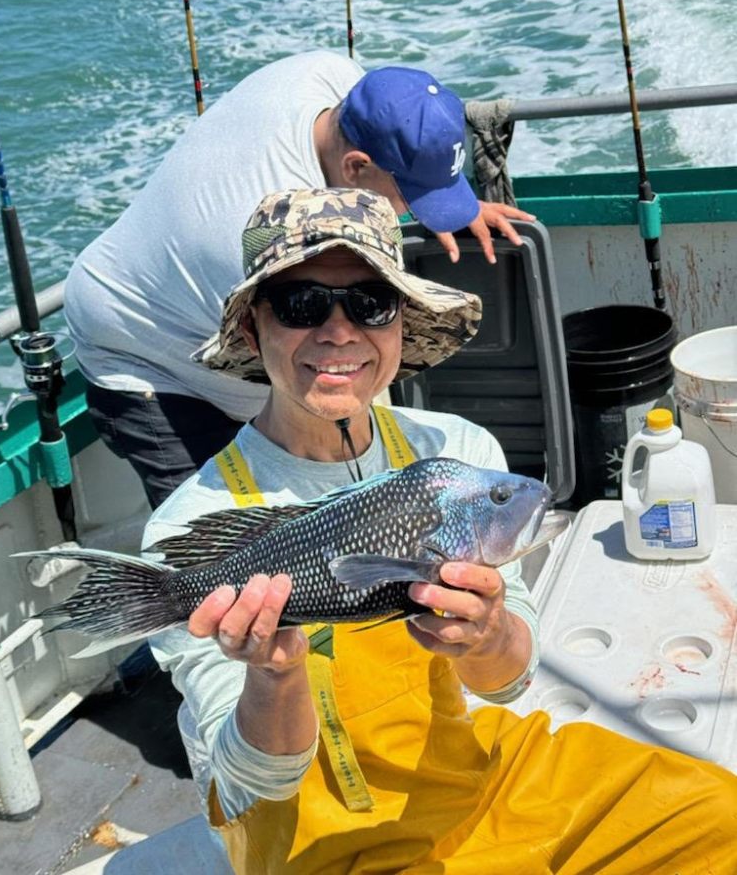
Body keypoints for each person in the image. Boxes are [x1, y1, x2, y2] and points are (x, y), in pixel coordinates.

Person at [143, 187, 737, 875]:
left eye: (370, 303)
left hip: (478, 779)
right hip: (328, 843)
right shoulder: (192, 529)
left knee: (718, 818)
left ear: (399, 325)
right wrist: (274, 678)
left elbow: (507, 685)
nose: (338, 331)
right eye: (301, 305)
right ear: (253, 330)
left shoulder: (458, 456)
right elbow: (250, 788)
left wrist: (487, 633)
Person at [64, 49, 534, 510]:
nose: (412, 212)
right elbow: (313, 384)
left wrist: (448, 204)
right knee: (228, 539)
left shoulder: (328, 73)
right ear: (355, 167)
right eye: (409, 197)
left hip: (177, 265)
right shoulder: (251, 235)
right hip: (143, 351)